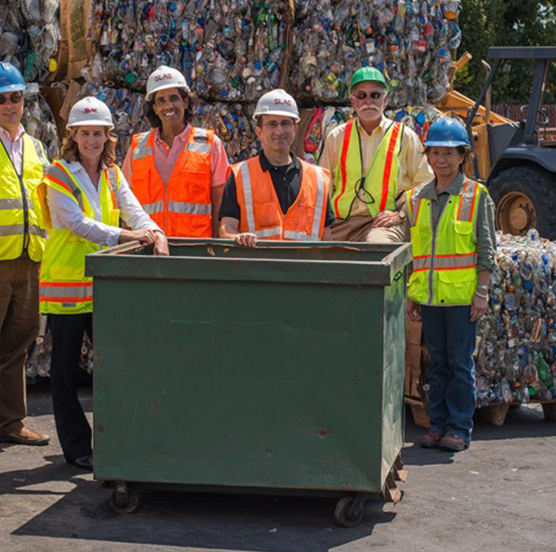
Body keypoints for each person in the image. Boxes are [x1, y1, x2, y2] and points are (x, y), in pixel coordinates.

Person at [38, 97, 168, 470]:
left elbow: (133, 207)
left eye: (98, 134)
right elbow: (77, 223)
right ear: (73, 136)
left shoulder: (112, 174)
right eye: (85, 134)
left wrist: (155, 232)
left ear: (109, 136)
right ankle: (77, 446)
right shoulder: (57, 174)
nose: (92, 141)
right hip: (66, 284)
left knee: (115, 363)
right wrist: (127, 237)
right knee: (64, 370)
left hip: (102, 286)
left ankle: (119, 438)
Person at [0, 62, 50, 458]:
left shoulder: (35, 147)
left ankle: (9, 422)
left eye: (16, 97)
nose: (10, 105)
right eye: (1, 99)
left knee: (18, 344)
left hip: (30, 259)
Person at [404, 118, 496, 453]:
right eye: (435, 152)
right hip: (429, 298)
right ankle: (437, 425)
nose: (441, 160)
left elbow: (486, 248)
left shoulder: (476, 195)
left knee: (459, 364)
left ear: (462, 156)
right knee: (437, 363)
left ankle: (459, 428)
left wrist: (481, 292)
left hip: (461, 299)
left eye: (449, 153)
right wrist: (413, 295)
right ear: (427, 155)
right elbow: (416, 251)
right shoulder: (417, 198)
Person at [318, 67, 433, 242]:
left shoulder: (405, 136)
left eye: (375, 95)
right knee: (316, 254)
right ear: (353, 101)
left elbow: (425, 182)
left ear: (385, 100)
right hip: (342, 222)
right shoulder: (337, 136)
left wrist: (401, 215)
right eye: (361, 95)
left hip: (383, 223)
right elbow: (324, 185)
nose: (368, 101)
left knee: (377, 251)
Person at [122, 65, 229, 237]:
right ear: (155, 108)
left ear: (185, 102)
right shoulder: (137, 147)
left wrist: (216, 250)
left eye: (174, 98)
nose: (168, 106)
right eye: (161, 101)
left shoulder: (210, 145)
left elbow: (220, 204)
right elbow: (125, 203)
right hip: (148, 249)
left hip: (193, 251)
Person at [219, 89, 334, 246]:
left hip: (305, 268)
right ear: (259, 132)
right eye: (272, 124)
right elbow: (226, 229)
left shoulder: (318, 179)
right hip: (257, 267)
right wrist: (237, 238)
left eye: (285, 123)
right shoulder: (240, 175)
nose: (279, 131)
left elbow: (327, 239)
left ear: (295, 129)